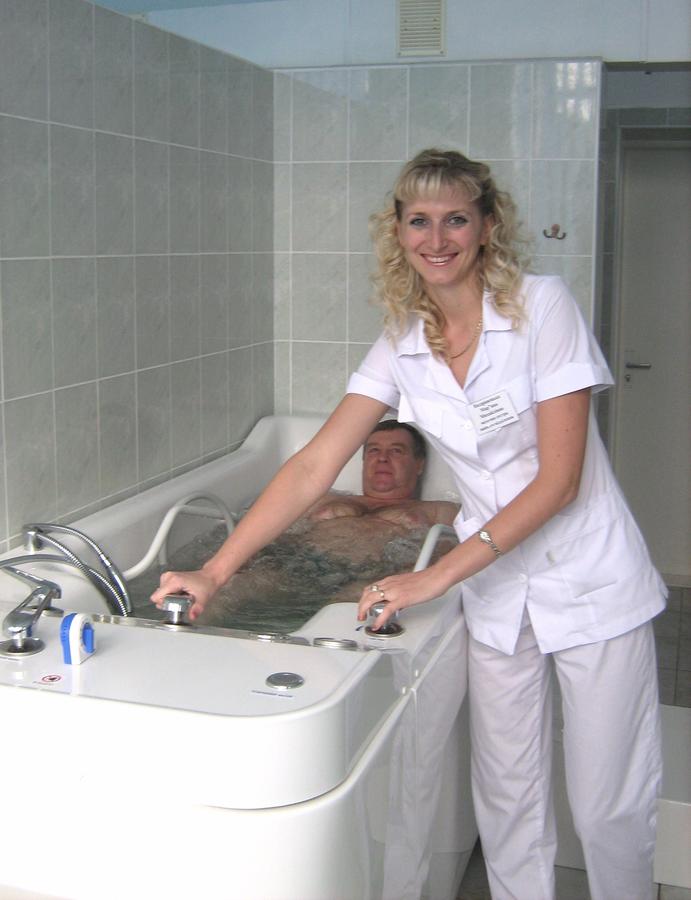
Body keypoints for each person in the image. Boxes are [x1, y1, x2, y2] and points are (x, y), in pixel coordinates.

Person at [153, 148, 666, 900]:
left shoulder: (541, 308)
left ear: (486, 225)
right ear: (397, 231)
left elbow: (559, 484)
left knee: (606, 806)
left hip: (589, 580)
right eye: (419, 220)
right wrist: (214, 570)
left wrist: (434, 577)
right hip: (498, 589)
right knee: (507, 797)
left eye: (455, 218)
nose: (437, 238)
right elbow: (314, 465)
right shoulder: (404, 338)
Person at [153, 420, 459, 626]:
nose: (382, 459)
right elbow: (273, 526)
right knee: (230, 590)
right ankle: (177, 647)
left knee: (351, 610)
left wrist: (414, 571)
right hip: (297, 565)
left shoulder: (437, 511)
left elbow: (462, 544)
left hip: (374, 575)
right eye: (374, 451)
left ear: (419, 464)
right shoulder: (323, 498)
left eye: (396, 451)